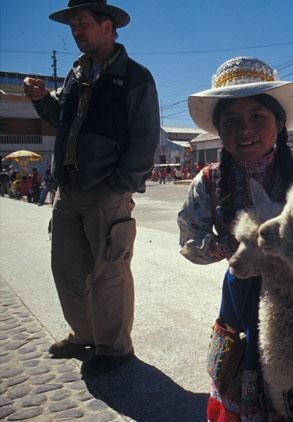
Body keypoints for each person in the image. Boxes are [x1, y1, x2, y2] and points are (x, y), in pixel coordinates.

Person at [22, 0, 160, 378]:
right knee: (66, 270)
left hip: (106, 193)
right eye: (73, 26)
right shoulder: (76, 73)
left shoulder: (136, 77)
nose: (76, 32)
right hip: (67, 192)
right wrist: (41, 102)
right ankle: (84, 336)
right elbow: (64, 122)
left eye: (83, 23)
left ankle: (114, 349)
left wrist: (119, 186)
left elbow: (145, 141)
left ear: (108, 26)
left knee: (108, 273)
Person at [178, 56, 293, 421]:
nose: (244, 129)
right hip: (240, 293)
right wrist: (225, 247)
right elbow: (190, 239)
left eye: (258, 117)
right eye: (231, 120)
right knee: (241, 366)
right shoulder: (209, 180)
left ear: (279, 124)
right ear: (219, 130)